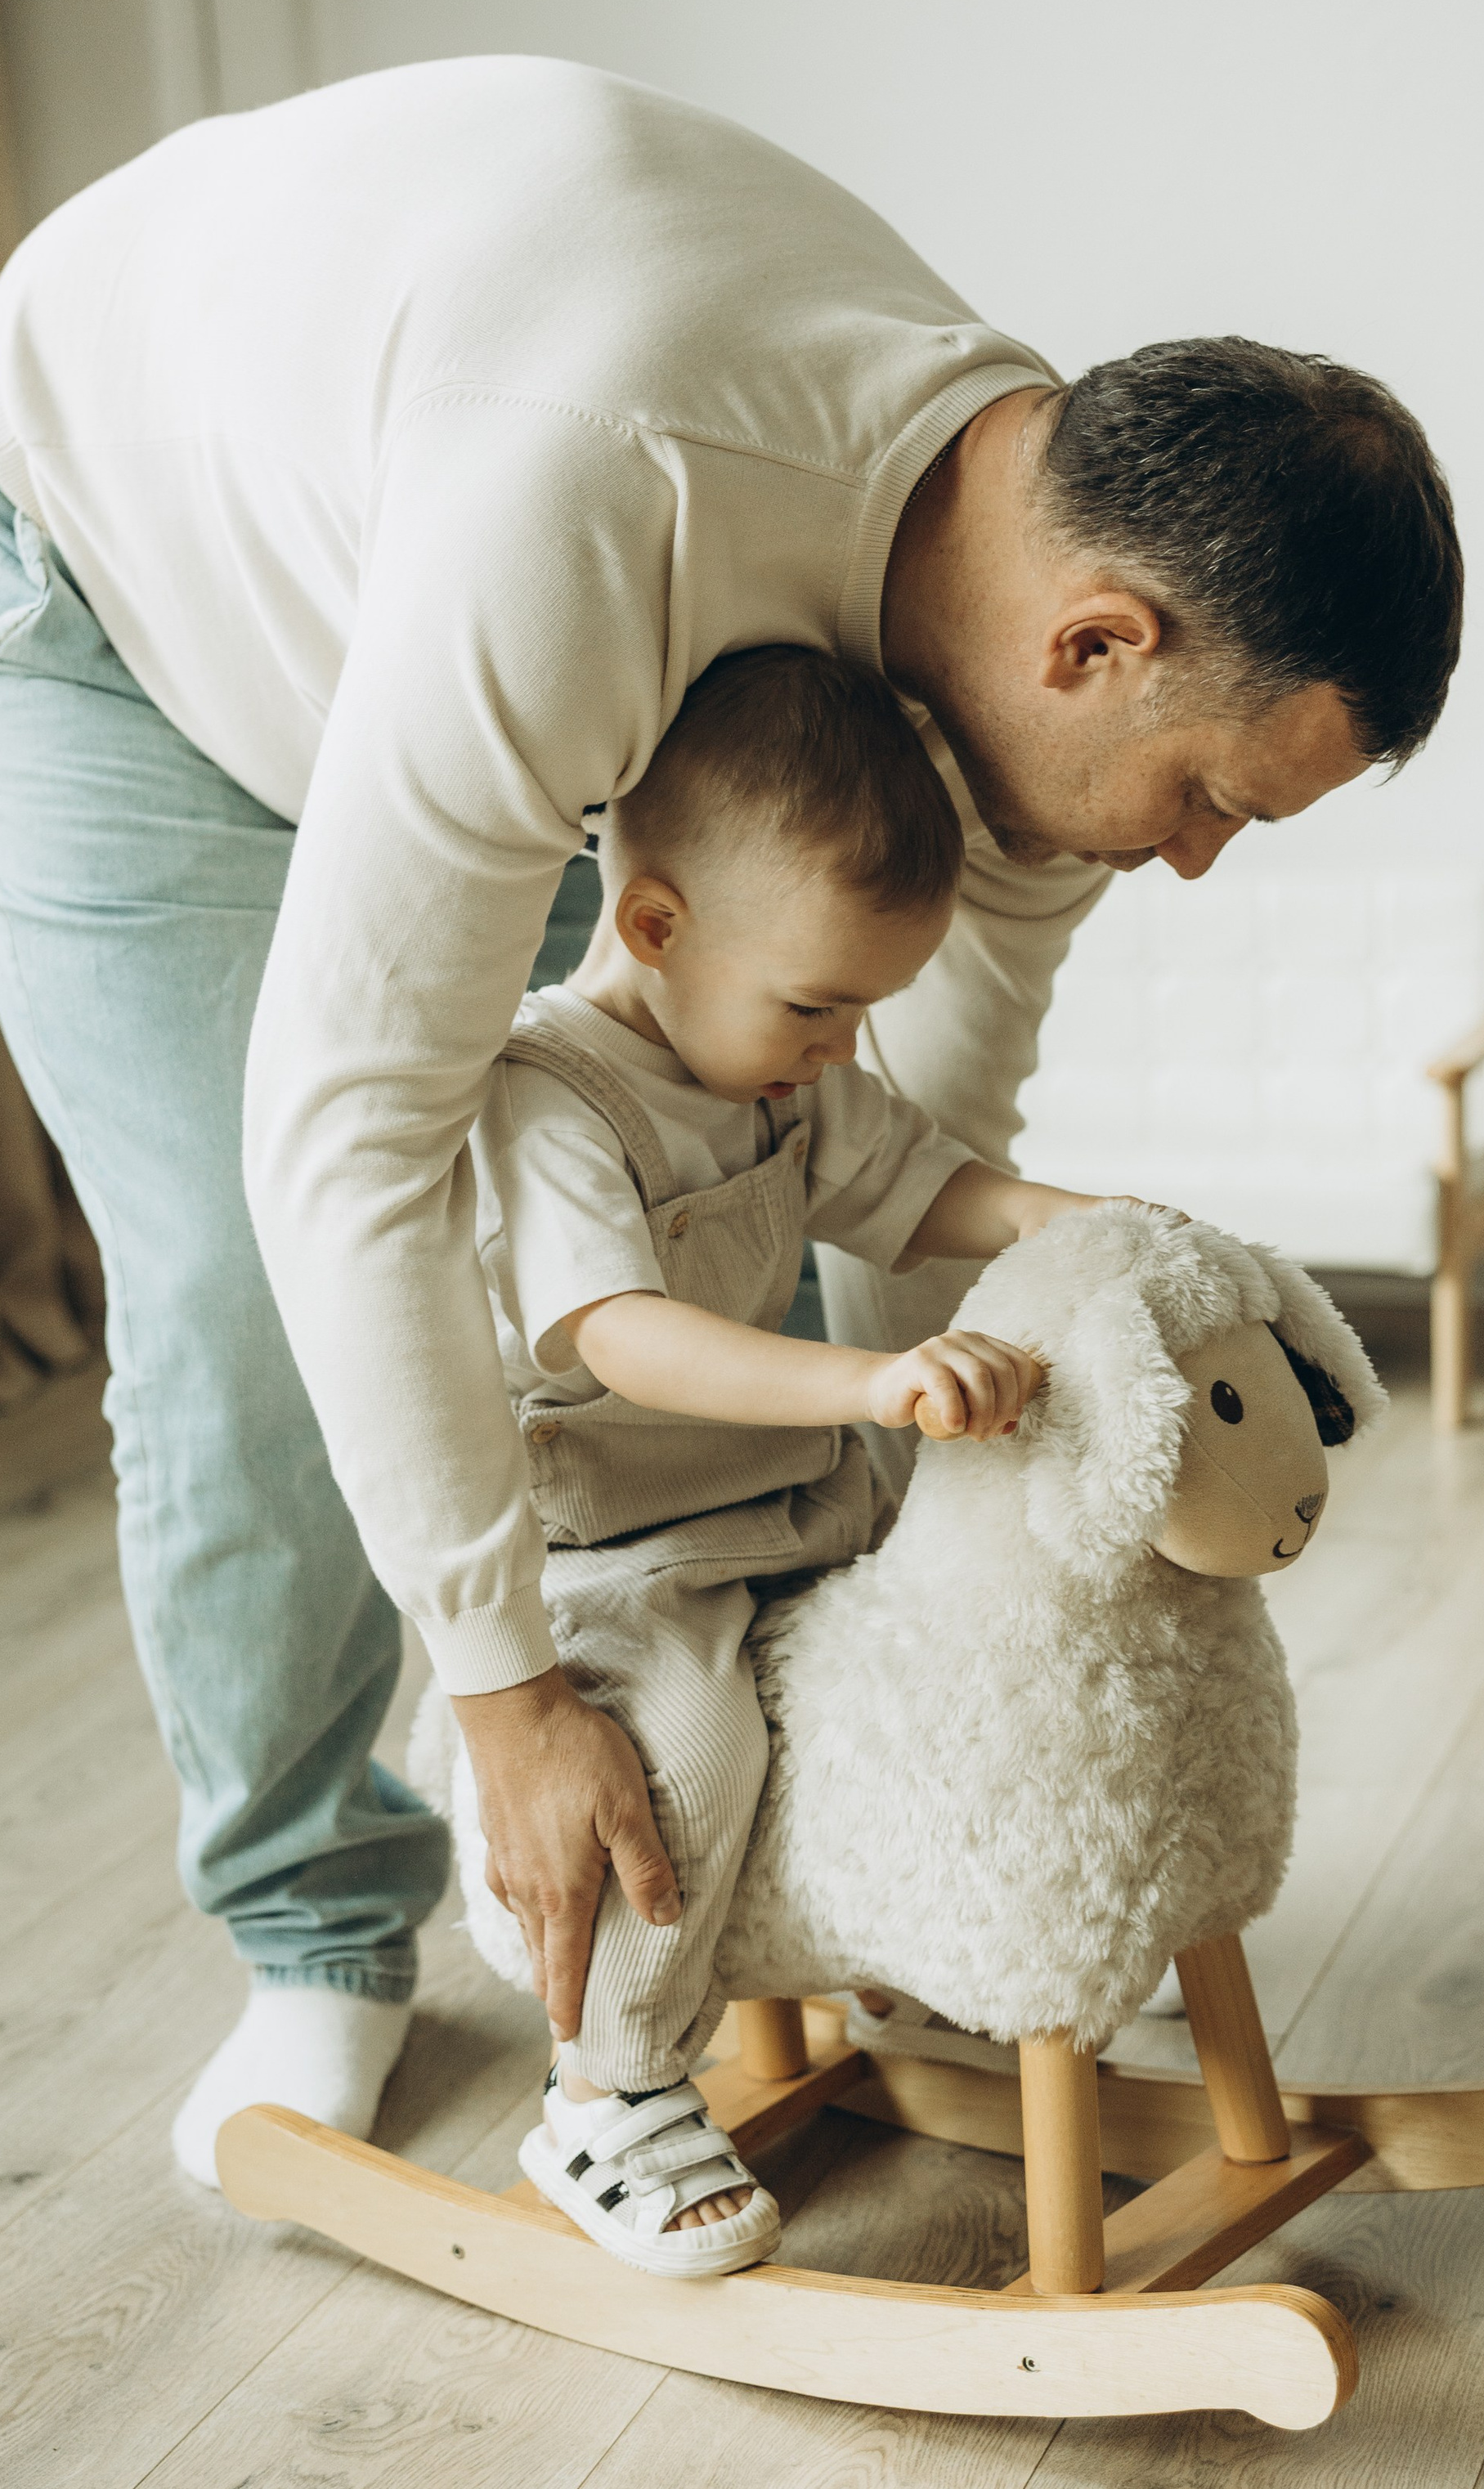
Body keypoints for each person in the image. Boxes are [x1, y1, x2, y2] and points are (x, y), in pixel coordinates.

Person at [0, 57, 1461, 2179]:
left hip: (472, 586)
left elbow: (909, 1129)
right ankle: (317, 1932)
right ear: (1095, 643)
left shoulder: (1033, 619)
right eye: (1211, 797)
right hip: (113, 572)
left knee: (727, 1109)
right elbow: (355, 1138)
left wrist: (906, 1633)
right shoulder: (604, 512)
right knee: (243, 1288)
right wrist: (507, 1691)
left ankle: (781, 1840)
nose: (1195, 860)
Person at [447, 644, 1105, 2276]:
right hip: (617, 1551)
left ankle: (911, 1924)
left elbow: (915, 1183)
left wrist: (1064, 1224)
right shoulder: (551, 1094)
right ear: (655, 928)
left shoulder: (788, 1066)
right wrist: (876, 1373)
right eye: (815, 1004)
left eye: (864, 1009)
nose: (836, 1043)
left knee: (943, 1661)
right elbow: (622, 1335)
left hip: (787, 1507)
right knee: (686, 1756)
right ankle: (608, 2088)